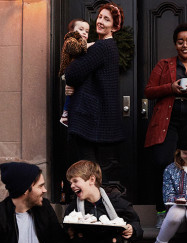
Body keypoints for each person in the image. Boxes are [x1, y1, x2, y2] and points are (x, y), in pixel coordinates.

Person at [143, 23, 187, 228]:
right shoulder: (164, 65)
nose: (185, 45)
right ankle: (161, 211)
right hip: (168, 122)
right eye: (180, 41)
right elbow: (149, 91)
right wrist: (171, 87)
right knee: (161, 164)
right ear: (175, 44)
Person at [64, 3, 125, 183]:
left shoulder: (101, 48)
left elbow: (72, 74)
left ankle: (92, 209)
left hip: (90, 122)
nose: (100, 21)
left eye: (107, 19)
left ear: (115, 26)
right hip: (97, 123)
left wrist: (84, 51)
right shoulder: (106, 47)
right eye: (100, 17)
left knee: (88, 175)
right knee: (94, 174)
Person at [58, 18, 94, 127]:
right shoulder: (70, 40)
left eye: (87, 31)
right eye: (81, 29)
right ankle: (65, 114)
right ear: (72, 32)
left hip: (74, 73)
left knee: (73, 92)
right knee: (70, 93)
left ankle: (67, 113)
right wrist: (88, 45)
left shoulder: (80, 42)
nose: (84, 32)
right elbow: (76, 50)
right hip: (68, 71)